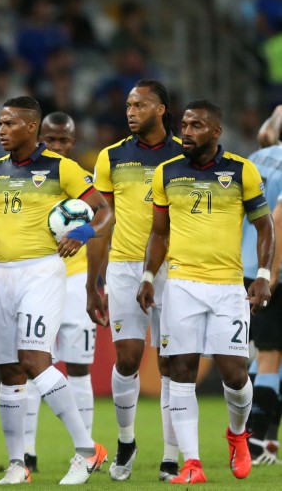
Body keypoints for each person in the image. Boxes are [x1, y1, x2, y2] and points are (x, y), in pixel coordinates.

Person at [0, 96, 113, 485]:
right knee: (10, 371)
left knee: (33, 360)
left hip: (43, 272)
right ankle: (18, 464)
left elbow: (104, 210)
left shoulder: (63, 168)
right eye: (0, 123)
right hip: (2, 275)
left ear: (32, 128)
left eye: (10, 123)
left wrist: (83, 231)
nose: (1, 130)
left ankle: (86, 449)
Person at [137, 99, 274, 483]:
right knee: (181, 371)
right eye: (184, 124)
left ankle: (237, 434)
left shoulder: (241, 170)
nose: (187, 131)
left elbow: (265, 227)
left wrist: (263, 273)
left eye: (197, 125)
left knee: (234, 374)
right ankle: (192, 464)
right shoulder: (167, 173)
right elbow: (159, 232)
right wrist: (148, 277)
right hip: (180, 284)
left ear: (216, 132)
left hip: (229, 287)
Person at [87, 79, 184, 481]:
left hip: (177, 267)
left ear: (161, 109)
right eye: (128, 104)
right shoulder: (111, 157)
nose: (130, 111)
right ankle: (126, 441)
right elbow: (100, 221)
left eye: (140, 105)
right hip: (125, 266)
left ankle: (171, 455)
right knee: (127, 360)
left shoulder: (185, 154)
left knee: (171, 363)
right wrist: (94, 280)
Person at [22, 112, 98, 474]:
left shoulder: (83, 181)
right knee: (35, 365)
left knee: (80, 367)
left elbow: (104, 221)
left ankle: (87, 450)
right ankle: (27, 454)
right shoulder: (26, 176)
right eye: (49, 140)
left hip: (77, 281)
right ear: (39, 139)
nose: (56, 146)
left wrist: (95, 283)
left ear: (73, 142)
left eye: (63, 141)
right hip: (39, 278)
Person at [242, 104, 282, 463]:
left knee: (263, 351)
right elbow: (280, 222)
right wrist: (272, 275)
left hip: (243, 263)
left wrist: (275, 115)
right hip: (270, 270)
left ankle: (265, 439)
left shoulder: (257, 157)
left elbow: (267, 133)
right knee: (271, 354)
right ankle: (255, 442)